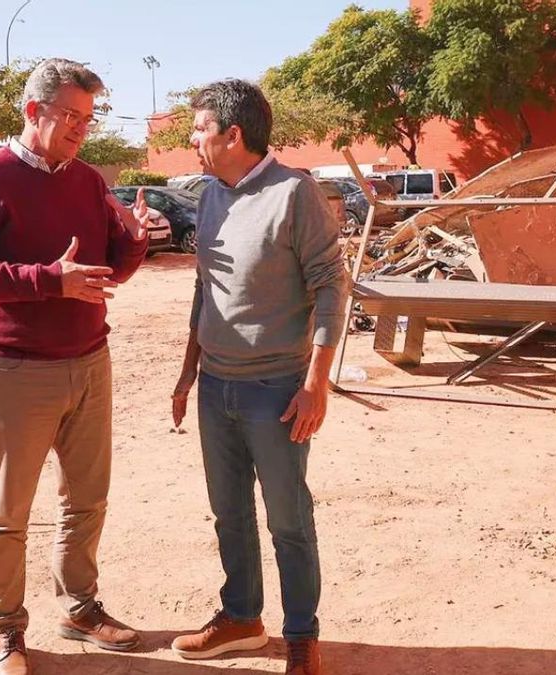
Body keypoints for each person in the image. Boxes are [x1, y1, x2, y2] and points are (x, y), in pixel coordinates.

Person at [0, 58, 153, 675]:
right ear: (34, 111)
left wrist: (134, 240)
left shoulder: (88, 181)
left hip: (90, 360)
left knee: (86, 500)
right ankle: (6, 627)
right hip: (15, 370)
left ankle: (80, 607)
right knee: (8, 511)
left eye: (89, 119)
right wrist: (48, 281)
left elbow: (105, 274)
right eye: (71, 117)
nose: (81, 130)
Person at [169, 79, 348, 675]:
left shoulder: (295, 193)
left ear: (233, 134)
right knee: (229, 512)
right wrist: (187, 374)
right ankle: (242, 617)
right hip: (216, 387)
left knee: (288, 518)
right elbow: (206, 289)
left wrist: (316, 384)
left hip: (276, 390)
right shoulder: (210, 195)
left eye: (199, 129)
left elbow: (330, 286)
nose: (192, 140)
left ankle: (302, 636)